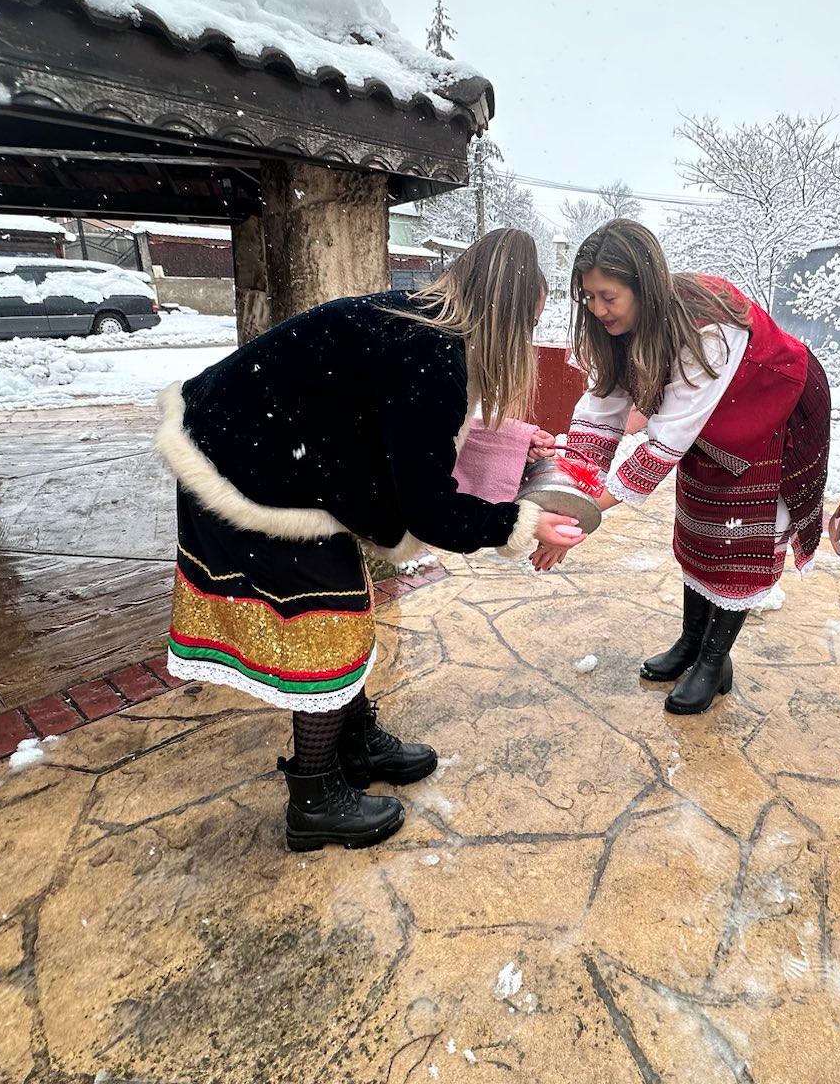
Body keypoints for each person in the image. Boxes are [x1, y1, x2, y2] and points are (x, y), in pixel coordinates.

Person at [154, 229, 585, 852]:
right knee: (327, 619)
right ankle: (315, 797)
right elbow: (431, 506)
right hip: (245, 461)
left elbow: (415, 433)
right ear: (509, 311)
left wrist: (513, 443)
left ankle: (351, 741)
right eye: (528, 321)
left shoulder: (419, 323)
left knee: (346, 603)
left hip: (253, 436)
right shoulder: (432, 354)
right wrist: (517, 526)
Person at [536, 220, 830, 715]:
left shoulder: (707, 326)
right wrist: (570, 493)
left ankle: (715, 663)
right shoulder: (622, 329)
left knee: (739, 536)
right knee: (700, 524)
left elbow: (664, 445)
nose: (597, 309)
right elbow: (600, 414)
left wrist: (581, 518)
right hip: (709, 418)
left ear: (643, 286)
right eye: (588, 297)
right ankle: (692, 644)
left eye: (608, 296)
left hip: (772, 412)